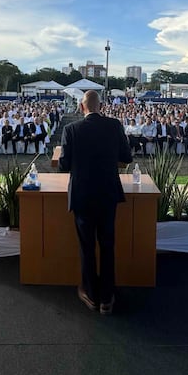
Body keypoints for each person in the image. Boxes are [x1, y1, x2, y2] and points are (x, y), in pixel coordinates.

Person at [59, 90, 132, 315]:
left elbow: (63, 165)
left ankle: (90, 294)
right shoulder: (114, 125)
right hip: (107, 193)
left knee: (87, 246)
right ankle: (107, 298)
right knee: (108, 246)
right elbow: (127, 158)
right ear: (100, 106)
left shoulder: (71, 129)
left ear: (82, 107)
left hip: (82, 195)